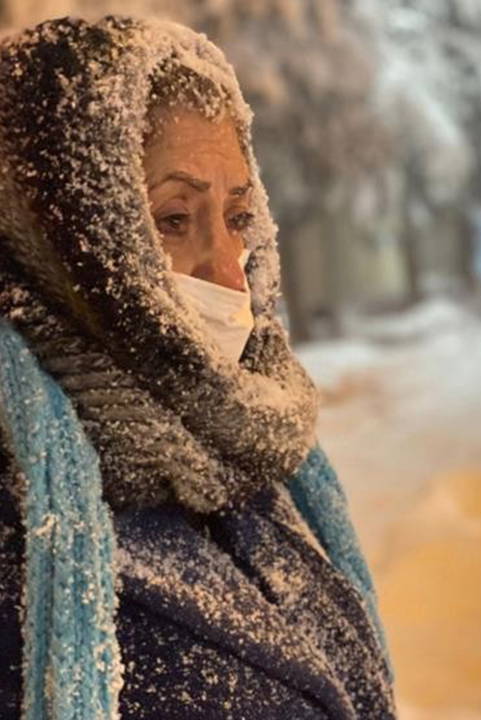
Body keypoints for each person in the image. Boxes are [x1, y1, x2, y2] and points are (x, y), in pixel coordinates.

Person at [0, 16, 395, 719]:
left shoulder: (244, 468)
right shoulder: (24, 525)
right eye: (173, 220)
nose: (228, 272)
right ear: (65, 241)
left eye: (239, 218)